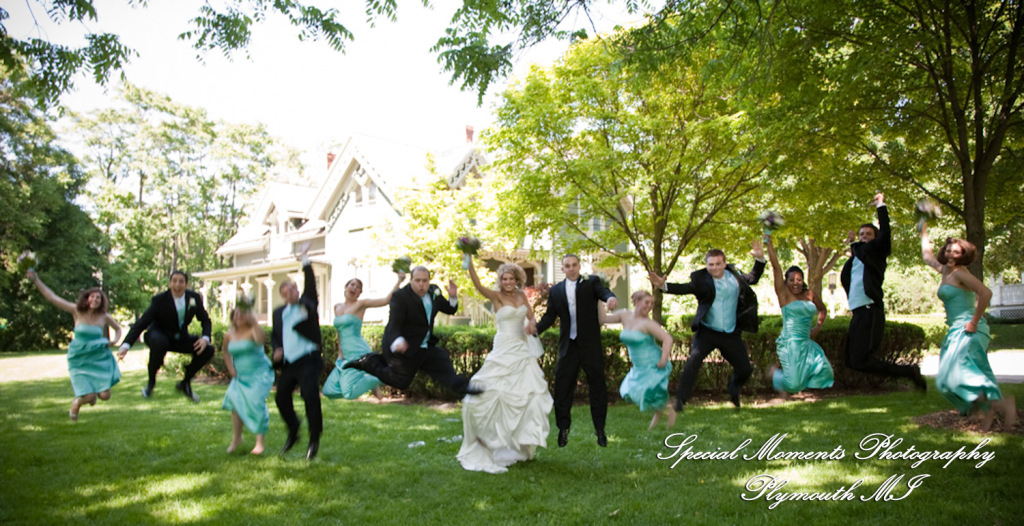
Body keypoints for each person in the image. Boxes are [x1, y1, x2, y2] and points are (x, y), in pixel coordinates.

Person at [457, 257, 553, 473]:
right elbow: (478, 285)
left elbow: (531, 318)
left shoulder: (521, 296)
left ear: (517, 279)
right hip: (503, 348)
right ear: (500, 280)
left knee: (528, 394)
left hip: (521, 349)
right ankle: (488, 442)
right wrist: (469, 263)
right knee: (491, 392)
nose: (507, 282)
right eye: (504, 278)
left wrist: (531, 325)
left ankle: (518, 442)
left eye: (511, 278)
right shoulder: (496, 296)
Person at [920, 225, 1017, 431]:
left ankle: (999, 408)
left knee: (966, 373)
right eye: (948, 251)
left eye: (956, 252)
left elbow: (986, 293)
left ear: (963, 255)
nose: (951, 254)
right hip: (956, 329)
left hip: (970, 329)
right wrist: (924, 229)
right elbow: (927, 256)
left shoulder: (960, 273)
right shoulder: (945, 269)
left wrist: (974, 321)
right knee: (947, 379)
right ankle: (984, 412)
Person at [648, 241, 765, 411]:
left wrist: (760, 258)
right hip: (707, 332)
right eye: (711, 265)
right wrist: (662, 286)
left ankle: (733, 386)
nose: (715, 268)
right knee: (693, 361)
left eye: (718, 264)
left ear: (725, 264)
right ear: (706, 265)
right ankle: (680, 400)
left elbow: (753, 278)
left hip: (731, 333)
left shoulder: (735, 276)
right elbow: (684, 288)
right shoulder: (701, 280)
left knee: (745, 369)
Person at [344, 266, 479, 397]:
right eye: (417, 280)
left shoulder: (434, 292)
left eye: (425, 281)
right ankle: (368, 362)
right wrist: (399, 340)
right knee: (401, 382)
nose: (421, 285)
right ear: (411, 280)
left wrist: (453, 296)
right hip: (404, 345)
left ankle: (465, 388)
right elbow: (394, 323)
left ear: (429, 281)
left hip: (425, 346)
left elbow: (450, 309)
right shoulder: (400, 296)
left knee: (442, 362)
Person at [840, 192, 926, 390]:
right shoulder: (853, 260)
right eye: (861, 235)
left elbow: (885, 233)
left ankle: (909, 372)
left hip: (871, 310)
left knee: (862, 358)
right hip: (858, 312)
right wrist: (853, 246)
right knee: (852, 360)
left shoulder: (876, 254)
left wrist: (881, 206)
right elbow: (849, 279)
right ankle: (907, 372)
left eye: (868, 235)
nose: (863, 238)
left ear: (875, 239)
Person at [535, 254, 618, 448]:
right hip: (568, 347)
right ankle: (563, 429)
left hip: (590, 346)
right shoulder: (555, 291)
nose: (571, 268)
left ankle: (600, 430)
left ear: (579, 266)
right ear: (562, 269)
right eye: (567, 266)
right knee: (563, 388)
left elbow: (603, 291)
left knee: (597, 387)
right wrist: (534, 330)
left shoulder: (591, 283)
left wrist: (611, 298)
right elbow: (549, 317)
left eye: (574, 265)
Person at [28, 270, 122, 421]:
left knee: (105, 396)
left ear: (102, 301)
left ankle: (91, 396)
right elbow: (52, 298)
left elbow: (118, 329)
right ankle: (77, 402)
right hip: (79, 358)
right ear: (87, 299)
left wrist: (115, 341)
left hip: (97, 358)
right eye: (92, 296)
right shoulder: (76, 311)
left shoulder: (104, 317)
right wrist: (36, 279)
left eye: (98, 298)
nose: (95, 300)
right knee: (89, 395)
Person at [117, 270, 212, 402]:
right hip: (157, 334)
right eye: (174, 281)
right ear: (169, 283)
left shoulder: (193, 298)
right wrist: (126, 345)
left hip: (179, 338)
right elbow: (142, 322)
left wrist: (205, 338)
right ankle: (151, 383)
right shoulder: (159, 300)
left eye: (181, 281)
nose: (177, 285)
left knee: (208, 349)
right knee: (160, 342)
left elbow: (205, 320)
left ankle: (185, 383)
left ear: (186, 284)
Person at [272, 242, 324, 460]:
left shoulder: (306, 304)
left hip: (309, 360)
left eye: (291, 289)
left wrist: (305, 260)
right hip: (290, 363)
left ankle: (314, 438)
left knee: (310, 395)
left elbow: (311, 284)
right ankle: (294, 430)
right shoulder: (278, 313)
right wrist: (277, 349)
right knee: (281, 397)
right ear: (283, 296)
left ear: (296, 289)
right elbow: (276, 336)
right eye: (284, 292)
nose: (288, 294)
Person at [764, 235, 834, 394]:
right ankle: (776, 375)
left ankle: (797, 380)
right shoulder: (784, 296)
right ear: (786, 282)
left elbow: (822, 309)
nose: (796, 283)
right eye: (791, 280)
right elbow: (776, 268)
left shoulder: (810, 294)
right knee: (794, 386)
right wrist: (769, 246)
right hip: (790, 344)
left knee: (826, 372)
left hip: (806, 343)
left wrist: (818, 326)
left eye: (799, 279)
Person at [322, 271, 405, 400]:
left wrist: (399, 281)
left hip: (358, 351)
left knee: (348, 394)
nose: (354, 288)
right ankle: (372, 380)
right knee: (328, 390)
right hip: (345, 354)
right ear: (346, 287)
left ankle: (376, 379)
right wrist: (340, 353)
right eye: (352, 285)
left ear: (360, 293)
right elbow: (339, 332)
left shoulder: (361, 304)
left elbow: (385, 300)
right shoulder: (337, 307)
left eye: (358, 287)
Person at [600, 290, 676, 430]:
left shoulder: (648, 323)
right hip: (638, 365)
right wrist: (599, 299)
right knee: (631, 392)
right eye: (647, 302)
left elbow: (667, 338)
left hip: (652, 362)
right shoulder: (624, 315)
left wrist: (663, 359)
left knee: (648, 393)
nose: (650, 306)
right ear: (636, 302)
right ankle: (665, 413)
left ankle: (669, 413)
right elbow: (603, 319)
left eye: (652, 303)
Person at [222, 304, 274, 454]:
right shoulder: (229, 335)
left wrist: (255, 323)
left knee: (256, 403)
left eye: (242, 314)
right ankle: (237, 438)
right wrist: (230, 369)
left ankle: (259, 443)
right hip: (240, 375)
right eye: (236, 314)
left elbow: (261, 340)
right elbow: (225, 352)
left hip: (260, 373)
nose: (238, 317)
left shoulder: (253, 331)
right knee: (234, 401)